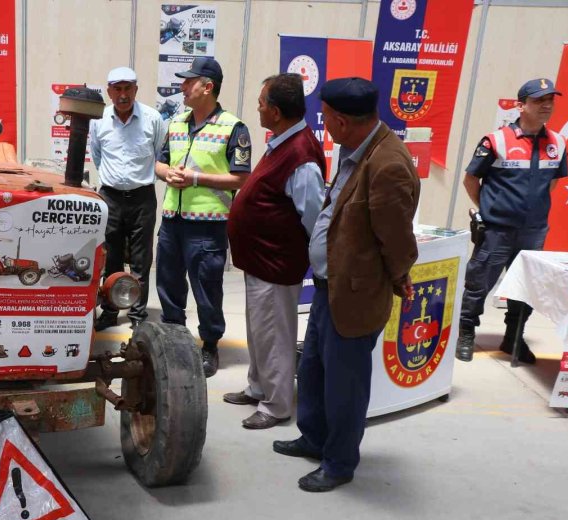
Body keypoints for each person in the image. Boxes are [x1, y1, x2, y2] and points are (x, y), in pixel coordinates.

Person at [273, 77, 419, 492]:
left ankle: (338, 462)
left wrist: (398, 276)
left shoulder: (387, 163)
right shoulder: (356, 147)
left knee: (345, 384)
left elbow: (397, 239)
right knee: (315, 368)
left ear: (340, 119)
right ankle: (315, 438)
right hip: (328, 286)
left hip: (354, 293)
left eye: (326, 117)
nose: (325, 124)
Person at [224, 73, 325, 429]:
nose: (258, 107)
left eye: (262, 102)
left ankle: (277, 405)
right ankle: (258, 386)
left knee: (275, 335)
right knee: (260, 331)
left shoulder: (301, 156)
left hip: (277, 263)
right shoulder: (283, 141)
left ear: (278, 111)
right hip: (261, 261)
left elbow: (314, 216)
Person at [455, 78, 568, 364]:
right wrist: (489, 209)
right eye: (539, 100)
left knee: (525, 287)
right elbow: (471, 178)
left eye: (550, 100)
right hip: (496, 230)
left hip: (533, 232)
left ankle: (513, 338)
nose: (546, 106)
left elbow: (551, 184)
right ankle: (466, 333)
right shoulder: (496, 140)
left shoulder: (558, 142)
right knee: (478, 284)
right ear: (521, 106)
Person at [154, 57, 251, 377]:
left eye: (188, 81)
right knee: (168, 283)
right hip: (172, 219)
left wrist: (195, 179)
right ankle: (173, 339)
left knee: (207, 288)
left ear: (207, 86)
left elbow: (241, 178)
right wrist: (168, 174)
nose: (182, 86)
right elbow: (159, 164)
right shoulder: (177, 123)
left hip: (208, 225)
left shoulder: (233, 128)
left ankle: (209, 345)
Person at [90, 67, 167, 331]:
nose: (123, 95)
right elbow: (98, 157)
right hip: (110, 197)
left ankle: (137, 314)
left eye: (128, 88)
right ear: (109, 91)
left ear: (136, 89)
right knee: (110, 257)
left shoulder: (153, 118)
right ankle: (110, 312)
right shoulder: (98, 120)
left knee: (140, 259)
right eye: (117, 89)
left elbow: (159, 154)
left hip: (142, 198)